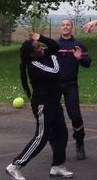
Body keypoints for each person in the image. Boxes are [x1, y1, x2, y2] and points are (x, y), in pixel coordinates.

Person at [6, 33, 73, 179]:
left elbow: (55, 46)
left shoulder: (43, 54)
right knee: (41, 137)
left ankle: (58, 166)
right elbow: (56, 71)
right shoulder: (34, 65)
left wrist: (40, 37)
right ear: (31, 53)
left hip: (54, 102)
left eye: (40, 45)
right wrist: (54, 56)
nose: (41, 47)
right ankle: (15, 166)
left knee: (62, 133)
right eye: (37, 47)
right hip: (43, 104)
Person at [57, 18, 92, 160]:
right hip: (55, 85)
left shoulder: (79, 45)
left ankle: (79, 143)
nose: (65, 27)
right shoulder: (54, 45)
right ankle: (56, 145)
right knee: (52, 115)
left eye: (68, 25)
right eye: (63, 25)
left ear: (72, 28)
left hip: (71, 84)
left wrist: (79, 58)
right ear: (61, 28)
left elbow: (88, 63)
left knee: (75, 115)